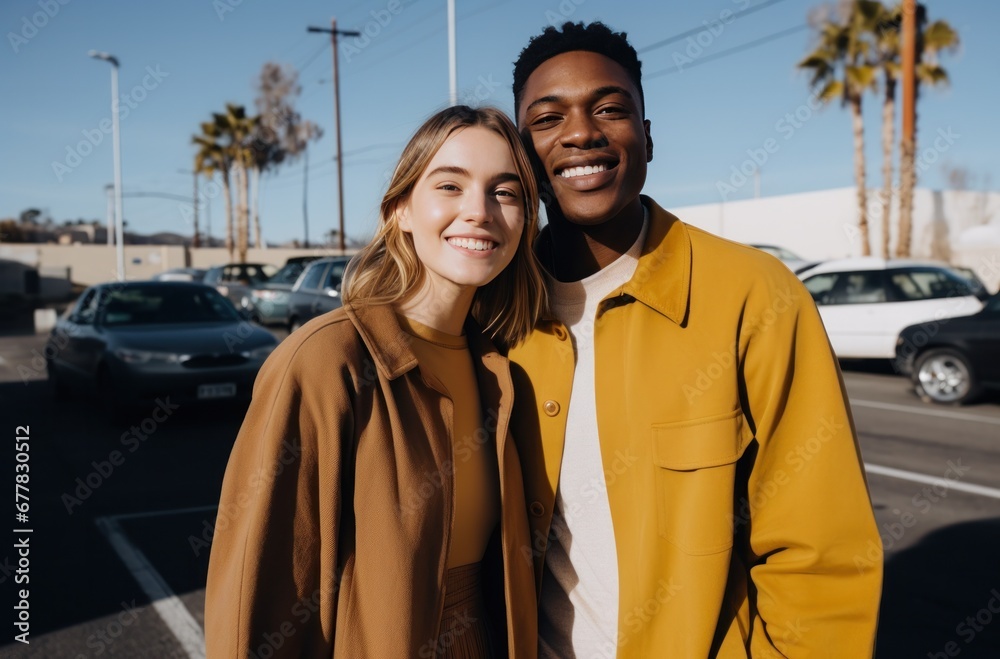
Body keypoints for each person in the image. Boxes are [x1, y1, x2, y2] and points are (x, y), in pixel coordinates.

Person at [506, 21, 883, 657]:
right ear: (522, 154)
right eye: (547, 119)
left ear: (647, 138)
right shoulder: (495, 309)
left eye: (610, 108)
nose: (580, 132)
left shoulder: (755, 294)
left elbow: (820, 554)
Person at [204, 105, 546, 658]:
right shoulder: (325, 360)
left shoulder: (501, 369)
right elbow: (260, 591)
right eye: (450, 186)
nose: (479, 211)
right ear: (402, 210)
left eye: (504, 193)